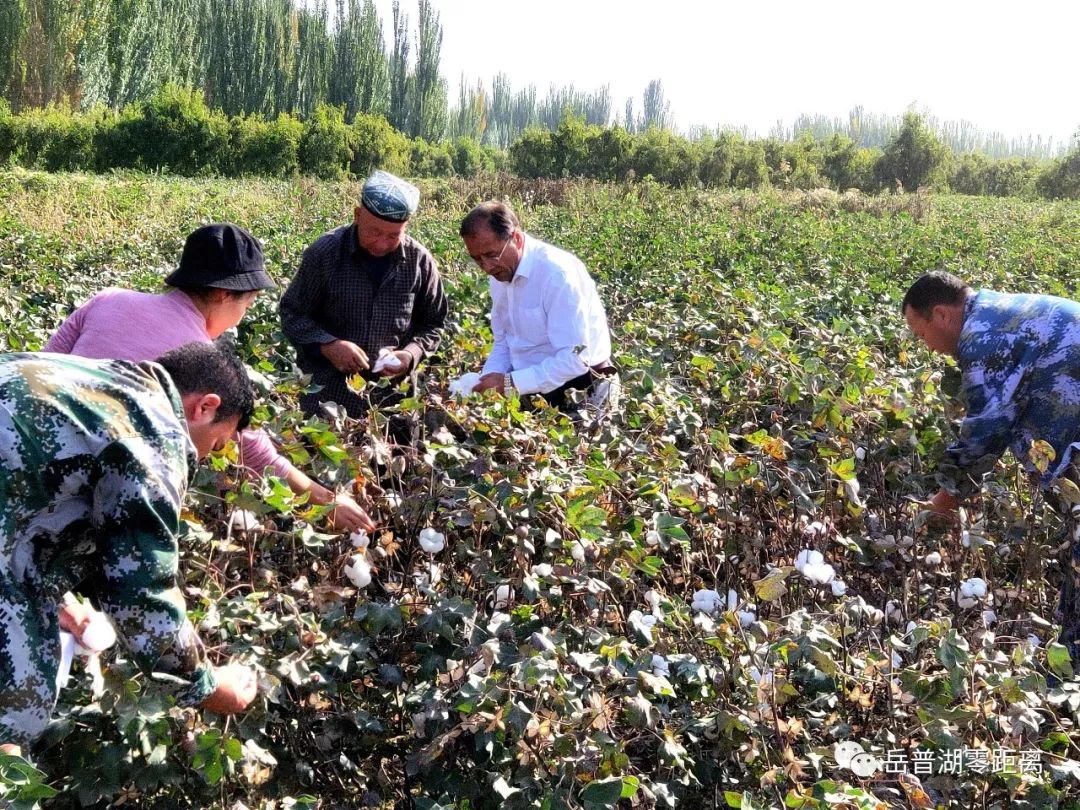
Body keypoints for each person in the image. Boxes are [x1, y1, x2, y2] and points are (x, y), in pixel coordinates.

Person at [0, 342, 260, 752]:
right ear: (205, 406)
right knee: (17, 706)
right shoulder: (154, 436)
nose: (206, 458)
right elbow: (140, 591)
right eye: (217, 444)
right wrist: (208, 685)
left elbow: (29, 495)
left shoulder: (104, 380)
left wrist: (62, 600)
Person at [45, 223, 374, 533]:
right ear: (221, 294)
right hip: (84, 494)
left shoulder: (108, 299)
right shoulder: (201, 363)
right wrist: (327, 500)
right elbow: (250, 449)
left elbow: (43, 365)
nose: (240, 318)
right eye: (248, 302)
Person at [902, 270, 1080, 659]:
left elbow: (987, 428)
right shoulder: (999, 311)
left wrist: (946, 500)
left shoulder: (983, 336)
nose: (928, 347)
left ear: (942, 315)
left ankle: (1073, 666)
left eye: (922, 335)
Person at [279, 170, 448, 427]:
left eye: (393, 235)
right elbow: (292, 314)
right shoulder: (324, 254)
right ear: (357, 215)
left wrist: (410, 355)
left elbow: (434, 323)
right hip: (328, 398)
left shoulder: (419, 262)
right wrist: (328, 345)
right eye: (373, 232)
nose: (381, 244)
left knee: (390, 466)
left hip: (393, 400)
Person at [458, 201, 616, 412]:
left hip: (583, 388)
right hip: (532, 386)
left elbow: (576, 357)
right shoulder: (499, 274)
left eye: (491, 255)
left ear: (516, 238)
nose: (486, 267)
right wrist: (488, 379)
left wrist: (509, 383)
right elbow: (504, 341)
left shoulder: (557, 274)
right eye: (477, 259)